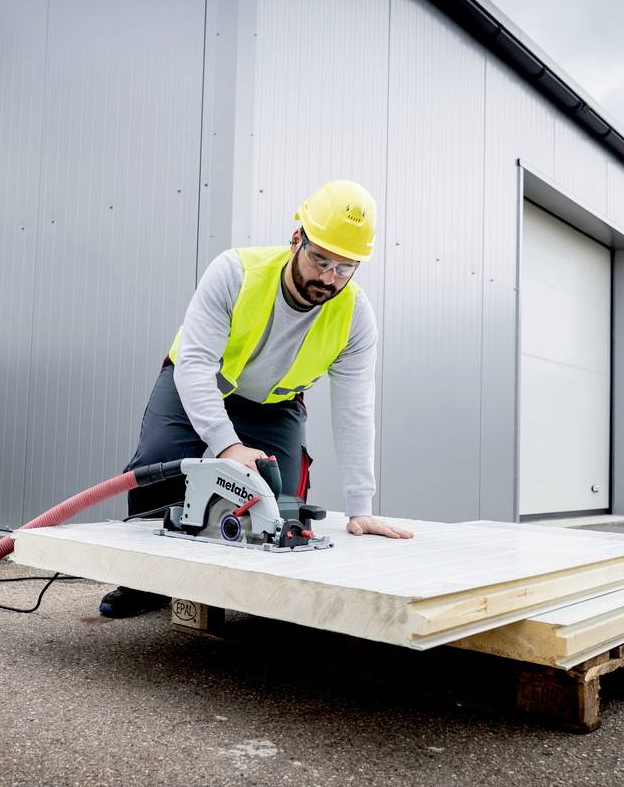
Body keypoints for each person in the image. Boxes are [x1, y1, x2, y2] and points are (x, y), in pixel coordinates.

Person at [100, 180, 412, 618]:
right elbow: (194, 365)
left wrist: (360, 507)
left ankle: (250, 589)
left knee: (277, 499)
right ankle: (147, 581)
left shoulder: (356, 318)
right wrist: (226, 445)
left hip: (274, 406)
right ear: (296, 239)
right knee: (161, 464)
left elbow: (355, 410)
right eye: (320, 259)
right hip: (201, 382)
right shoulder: (235, 272)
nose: (328, 277)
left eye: (345, 268)